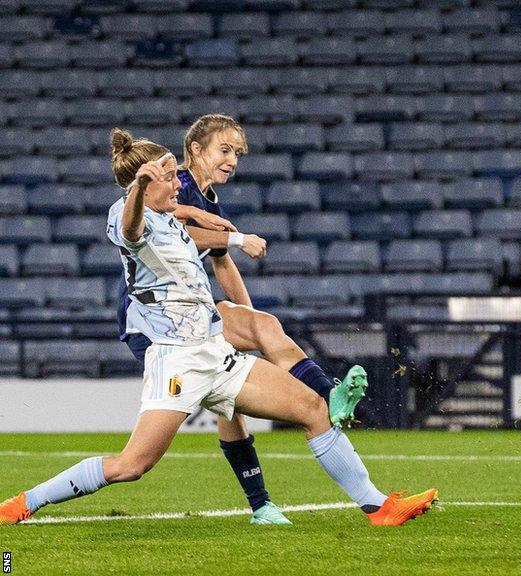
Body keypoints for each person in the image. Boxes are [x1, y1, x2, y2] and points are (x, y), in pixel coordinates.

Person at [0, 130, 437, 527]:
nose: (178, 183)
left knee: (311, 408)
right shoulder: (126, 215)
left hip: (215, 351)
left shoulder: (172, 217)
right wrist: (138, 189)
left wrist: (207, 222)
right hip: (176, 360)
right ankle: (24, 502)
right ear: (145, 184)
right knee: (131, 465)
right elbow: (132, 230)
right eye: (170, 177)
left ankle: (378, 507)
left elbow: (192, 228)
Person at [115, 115, 365, 525]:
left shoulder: (208, 201)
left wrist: (248, 323)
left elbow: (223, 265)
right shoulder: (172, 181)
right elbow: (170, 231)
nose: (232, 160)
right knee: (228, 391)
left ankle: (261, 505)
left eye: (238, 154)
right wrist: (233, 238)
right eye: (225, 150)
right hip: (153, 320)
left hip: (189, 314)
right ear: (195, 149)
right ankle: (324, 396)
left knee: (233, 396)